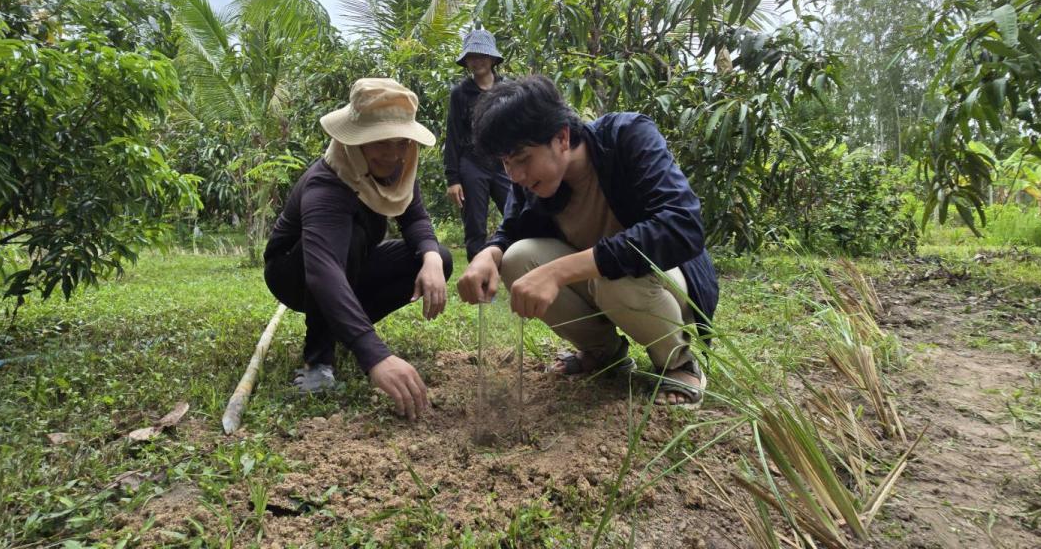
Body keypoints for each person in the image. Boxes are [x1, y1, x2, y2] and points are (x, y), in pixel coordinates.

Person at [456, 75, 718, 406]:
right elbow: (511, 230)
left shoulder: (628, 136)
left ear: (562, 138)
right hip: (603, 286)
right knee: (516, 258)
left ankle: (678, 362)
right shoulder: (532, 182)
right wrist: (489, 253)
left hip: (661, 283)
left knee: (615, 276)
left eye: (522, 159)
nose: (515, 176)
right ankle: (604, 352)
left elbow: (683, 225)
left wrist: (559, 272)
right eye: (506, 163)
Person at [263, 78, 453, 420]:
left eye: (401, 142)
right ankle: (319, 360)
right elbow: (323, 272)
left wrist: (431, 258)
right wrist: (375, 355)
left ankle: (344, 325)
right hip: (297, 272)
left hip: (352, 264)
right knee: (348, 237)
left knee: (438, 256)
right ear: (355, 139)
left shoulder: (398, 169)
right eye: (380, 142)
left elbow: (414, 217)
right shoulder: (327, 184)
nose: (392, 154)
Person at [444, 29, 512, 262]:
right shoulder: (460, 93)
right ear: (466, 61)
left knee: (518, 214)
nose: (477, 61)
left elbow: (519, 127)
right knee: (475, 225)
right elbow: (453, 135)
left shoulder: (508, 89)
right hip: (472, 164)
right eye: (471, 57)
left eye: (481, 55)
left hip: (505, 163)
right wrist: (453, 179)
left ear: (492, 58)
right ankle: (478, 273)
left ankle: (521, 264)